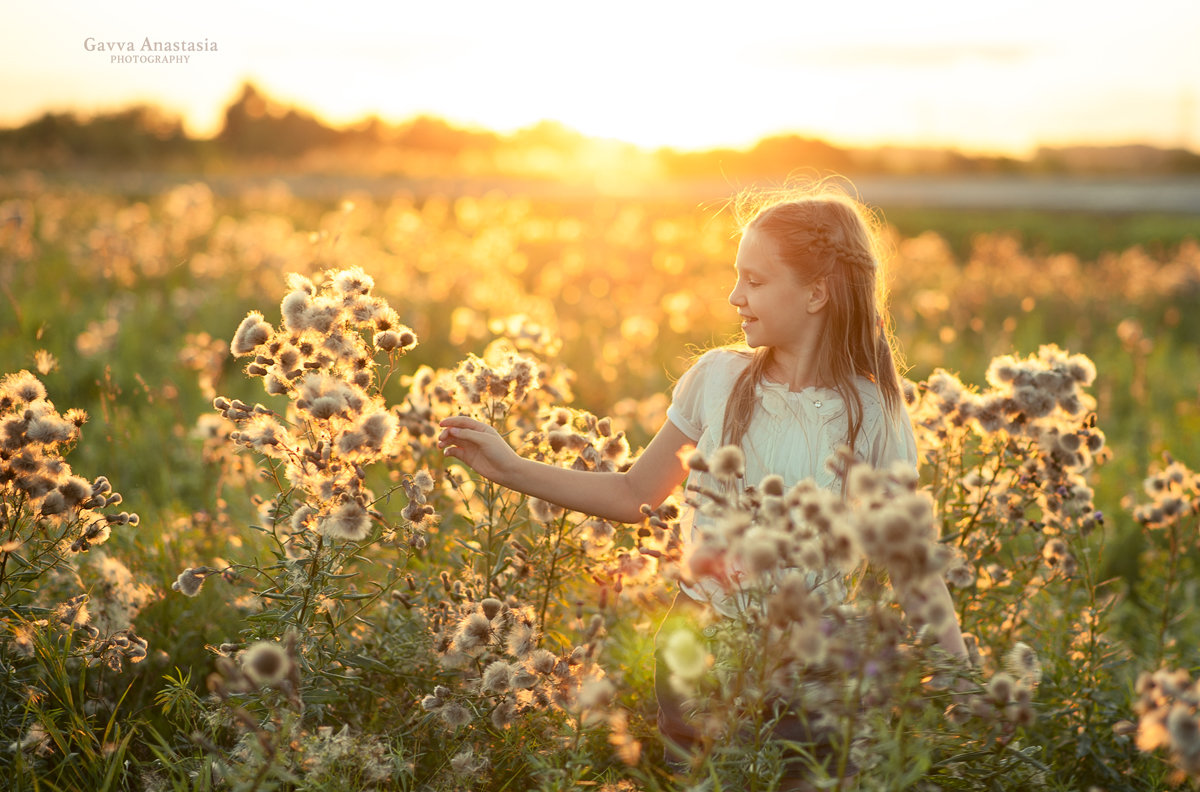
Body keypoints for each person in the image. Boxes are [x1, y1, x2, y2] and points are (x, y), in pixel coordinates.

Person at [437, 184, 969, 782]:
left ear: (816, 292)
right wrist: (509, 467)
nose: (734, 296)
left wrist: (963, 685)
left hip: (813, 668)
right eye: (737, 277)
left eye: (756, 280)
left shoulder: (874, 415)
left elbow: (911, 570)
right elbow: (635, 493)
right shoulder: (717, 379)